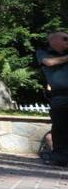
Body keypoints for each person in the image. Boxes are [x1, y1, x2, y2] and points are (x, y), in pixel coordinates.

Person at [37, 31, 68, 167]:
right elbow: (49, 63)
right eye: (65, 38)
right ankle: (60, 158)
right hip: (60, 96)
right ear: (53, 40)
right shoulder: (43, 52)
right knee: (60, 127)